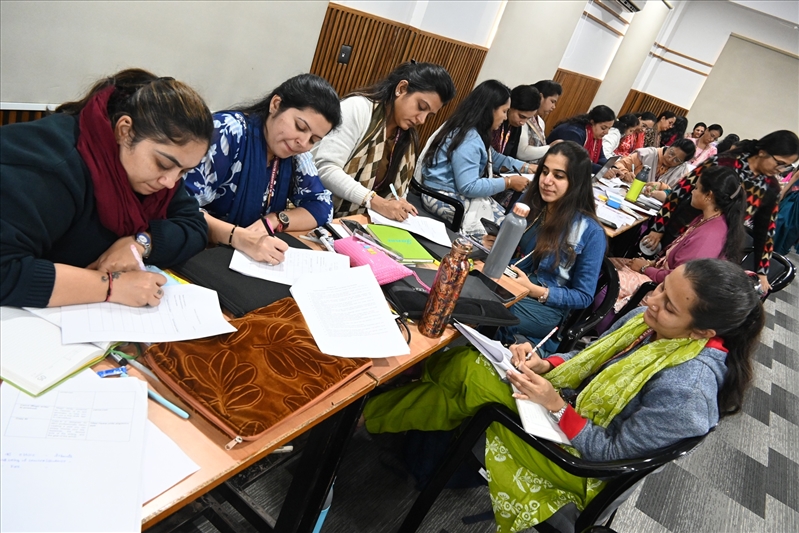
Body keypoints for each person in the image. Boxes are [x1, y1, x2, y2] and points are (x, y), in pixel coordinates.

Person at [364, 258, 764, 532]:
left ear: (702, 333)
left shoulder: (688, 390)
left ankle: (370, 412)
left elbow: (612, 457)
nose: (652, 300)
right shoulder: (651, 323)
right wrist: (546, 364)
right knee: (470, 367)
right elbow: (589, 358)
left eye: (670, 307)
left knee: (471, 373)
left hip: (580, 469)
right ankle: (375, 414)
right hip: (570, 416)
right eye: (661, 287)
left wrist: (555, 406)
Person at [0, 69, 212, 308]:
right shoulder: (52, 168)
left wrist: (142, 242)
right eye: (163, 164)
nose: (171, 182)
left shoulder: (157, 172)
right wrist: (111, 286)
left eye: (184, 171)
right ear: (125, 131)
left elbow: (194, 226)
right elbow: (5, 271)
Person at [183, 74, 341, 266]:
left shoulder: (296, 154)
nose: (303, 142)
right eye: (300, 127)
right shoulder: (227, 132)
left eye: (314, 140)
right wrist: (239, 237)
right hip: (199, 251)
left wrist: (275, 220)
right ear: (275, 104)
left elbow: (322, 205)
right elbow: (181, 207)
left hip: (248, 256)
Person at [643, 130, 799, 293]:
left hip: (713, 246)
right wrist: (658, 229)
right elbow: (679, 192)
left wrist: (762, 271)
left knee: (688, 287)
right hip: (679, 230)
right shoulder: (724, 162)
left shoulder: (770, 188)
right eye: (779, 163)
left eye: (787, 166)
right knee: (657, 276)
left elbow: (765, 230)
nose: (781, 170)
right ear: (763, 152)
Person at [496, 141, 606, 350]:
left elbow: (583, 296)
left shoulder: (591, 232)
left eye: (559, 176)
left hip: (544, 304)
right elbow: (507, 242)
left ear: (576, 182)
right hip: (509, 281)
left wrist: (534, 290)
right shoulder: (532, 203)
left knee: (489, 309)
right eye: (545, 172)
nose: (546, 181)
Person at [313, 62, 456, 221]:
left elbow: (398, 188)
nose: (422, 120)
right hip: (320, 210)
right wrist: (375, 201)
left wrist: (398, 202)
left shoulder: (407, 136)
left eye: (429, 115)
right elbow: (325, 168)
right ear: (401, 88)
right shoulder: (358, 108)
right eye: (421, 107)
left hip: (365, 219)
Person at [610, 166, 745, 311]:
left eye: (696, 188)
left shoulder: (710, 235)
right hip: (662, 277)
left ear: (708, 195)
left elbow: (680, 278)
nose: (692, 191)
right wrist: (650, 265)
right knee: (606, 264)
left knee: (608, 278)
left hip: (667, 294)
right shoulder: (708, 219)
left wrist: (645, 268)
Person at [419, 80, 535, 235]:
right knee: (502, 230)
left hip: (451, 193)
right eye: (504, 111)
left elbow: (494, 158)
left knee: (505, 222)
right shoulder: (469, 139)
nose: (505, 117)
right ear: (490, 110)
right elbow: (468, 187)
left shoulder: (471, 131)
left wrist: (527, 167)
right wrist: (508, 182)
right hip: (443, 196)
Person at [606, 138, 696, 194]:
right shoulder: (648, 154)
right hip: (626, 193)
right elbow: (619, 163)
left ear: (682, 163)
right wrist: (625, 173)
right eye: (671, 153)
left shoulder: (682, 171)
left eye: (677, 160)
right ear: (669, 147)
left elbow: (678, 193)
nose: (670, 159)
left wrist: (662, 187)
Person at [547, 105, 616, 173]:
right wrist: (601, 171)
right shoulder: (574, 132)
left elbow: (601, 157)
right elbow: (575, 160)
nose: (606, 132)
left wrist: (611, 167)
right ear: (592, 122)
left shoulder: (595, 136)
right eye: (603, 128)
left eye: (609, 128)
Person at [491, 84, 541, 166]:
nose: (523, 122)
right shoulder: (495, 122)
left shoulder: (516, 127)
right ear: (510, 106)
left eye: (528, 118)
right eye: (522, 116)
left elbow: (512, 156)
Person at [517, 80, 563, 163]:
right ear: (541, 97)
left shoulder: (541, 122)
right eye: (552, 101)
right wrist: (550, 147)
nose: (554, 107)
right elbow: (522, 153)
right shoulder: (522, 118)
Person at [774, 167, 799, 255]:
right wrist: (782, 194)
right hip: (793, 200)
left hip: (794, 201)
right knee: (781, 221)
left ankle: (778, 253)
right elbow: (796, 177)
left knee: (791, 231)